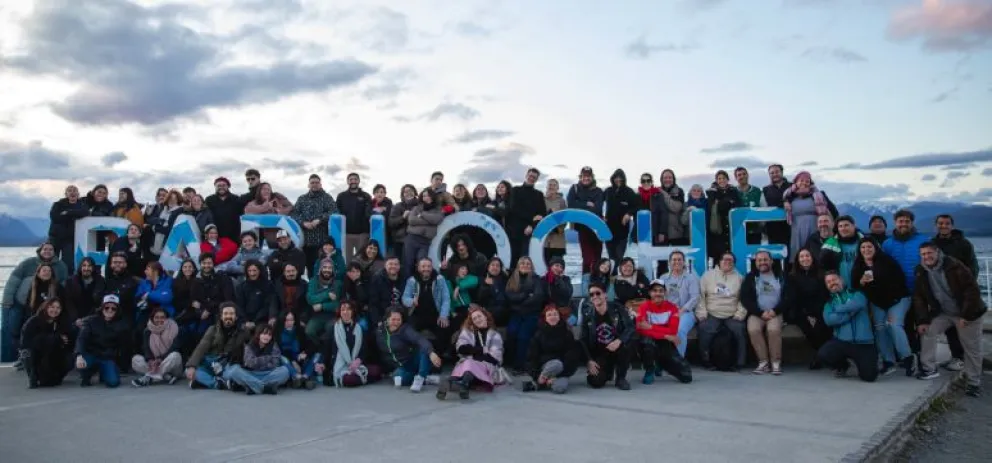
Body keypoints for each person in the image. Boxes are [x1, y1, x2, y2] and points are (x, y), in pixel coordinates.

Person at [913, 242, 986, 397]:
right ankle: (929, 369)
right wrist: (922, 320)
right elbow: (919, 297)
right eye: (923, 254)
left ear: (937, 252)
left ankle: (973, 383)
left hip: (968, 313)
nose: (926, 256)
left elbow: (972, 291)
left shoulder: (954, 266)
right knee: (927, 331)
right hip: (944, 313)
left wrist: (966, 315)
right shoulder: (921, 271)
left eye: (929, 253)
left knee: (971, 347)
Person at [850, 238, 915, 376]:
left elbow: (899, 281)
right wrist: (862, 282)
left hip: (897, 299)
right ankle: (888, 361)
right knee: (879, 328)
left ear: (876, 248)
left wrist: (878, 282)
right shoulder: (858, 265)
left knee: (893, 325)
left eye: (869, 247)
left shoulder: (886, 261)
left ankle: (908, 357)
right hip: (877, 302)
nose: (866, 250)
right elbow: (855, 285)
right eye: (863, 247)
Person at [2, 242, 68, 362]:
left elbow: (63, 285)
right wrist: (7, 300)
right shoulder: (28, 263)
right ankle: (11, 359)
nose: (47, 251)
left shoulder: (60, 266)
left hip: (47, 309)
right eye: (45, 249)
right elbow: (13, 281)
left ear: (55, 252)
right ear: (39, 251)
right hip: (20, 303)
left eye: (50, 249)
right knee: (12, 329)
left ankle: (28, 357)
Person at [932, 214, 979, 372]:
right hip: (941, 292)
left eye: (947, 223)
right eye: (940, 223)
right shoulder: (933, 244)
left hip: (960, 291)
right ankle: (956, 357)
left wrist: (967, 287)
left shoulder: (964, 244)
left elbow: (973, 266)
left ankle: (964, 360)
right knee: (950, 328)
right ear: (936, 225)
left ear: (952, 225)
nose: (943, 226)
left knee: (963, 327)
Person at [818, 272, 878, 382]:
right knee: (824, 354)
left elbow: (859, 304)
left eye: (834, 279)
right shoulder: (829, 303)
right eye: (828, 282)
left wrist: (838, 309)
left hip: (864, 343)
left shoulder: (856, 293)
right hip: (842, 342)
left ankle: (861, 364)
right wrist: (850, 313)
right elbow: (829, 320)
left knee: (869, 377)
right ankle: (843, 366)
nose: (832, 283)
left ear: (841, 280)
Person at [437, 305, 506, 400]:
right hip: (467, 367)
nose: (477, 320)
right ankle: (461, 384)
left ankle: (454, 382)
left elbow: (494, 358)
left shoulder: (495, 335)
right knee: (467, 365)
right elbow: (461, 348)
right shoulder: (468, 332)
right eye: (474, 319)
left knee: (469, 363)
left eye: (479, 316)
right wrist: (482, 350)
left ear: (485, 316)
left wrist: (472, 353)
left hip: (487, 369)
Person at [741, 250, 790, 375]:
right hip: (757, 313)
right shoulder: (751, 277)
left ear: (771, 261)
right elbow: (745, 298)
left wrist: (775, 311)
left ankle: (775, 362)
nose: (762, 262)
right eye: (759, 260)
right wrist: (760, 313)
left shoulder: (781, 276)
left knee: (773, 330)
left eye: (765, 260)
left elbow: (789, 297)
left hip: (775, 312)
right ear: (756, 263)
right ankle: (763, 362)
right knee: (753, 329)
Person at [579, 282, 635, 390]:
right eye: (591, 294)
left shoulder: (617, 308)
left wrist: (619, 340)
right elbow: (582, 339)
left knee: (628, 342)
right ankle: (608, 371)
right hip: (600, 352)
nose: (595, 296)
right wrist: (589, 360)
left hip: (617, 348)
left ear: (605, 295)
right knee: (595, 382)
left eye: (598, 293)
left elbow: (630, 327)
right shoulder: (588, 314)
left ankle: (621, 378)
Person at [697, 252, 747, 371]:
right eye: (725, 259)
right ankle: (706, 361)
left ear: (734, 263)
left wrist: (740, 314)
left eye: (730, 260)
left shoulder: (739, 278)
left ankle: (740, 362)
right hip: (712, 313)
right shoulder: (707, 276)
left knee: (740, 330)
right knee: (704, 328)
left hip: (732, 314)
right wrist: (701, 313)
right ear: (719, 262)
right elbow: (700, 296)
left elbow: (743, 299)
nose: (727, 262)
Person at [635, 280, 692, 385]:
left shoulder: (672, 308)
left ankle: (661, 364)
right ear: (650, 293)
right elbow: (641, 329)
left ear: (665, 292)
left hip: (666, 343)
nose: (658, 293)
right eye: (654, 290)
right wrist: (665, 335)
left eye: (661, 291)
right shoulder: (643, 307)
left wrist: (651, 327)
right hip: (652, 341)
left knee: (686, 376)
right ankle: (650, 370)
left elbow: (673, 331)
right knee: (646, 342)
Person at [184, 302, 250, 390]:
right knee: (191, 372)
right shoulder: (212, 329)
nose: (228, 316)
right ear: (221, 316)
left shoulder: (243, 331)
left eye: (231, 314)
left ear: (236, 317)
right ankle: (219, 384)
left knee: (236, 371)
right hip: (211, 362)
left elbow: (250, 348)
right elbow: (201, 348)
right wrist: (191, 366)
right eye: (225, 313)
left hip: (228, 364)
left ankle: (207, 382)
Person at [376, 307, 443, 392]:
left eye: (398, 320)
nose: (396, 322)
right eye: (393, 319)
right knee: (398, 377)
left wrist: (431, 353)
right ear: (387, 319)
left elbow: (419, 339)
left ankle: (420, 377)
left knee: (424, 349)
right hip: (401, 367)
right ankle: (426, 379)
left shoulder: (405, 329)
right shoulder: (380, 331)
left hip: (412, 361)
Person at [321, 301, 382, 387]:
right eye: (343, 310)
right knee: (349, 379)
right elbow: (326, 349)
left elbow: (364, 349)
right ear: (339, 312)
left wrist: (358, 360)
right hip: (340, 366)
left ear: (353, 311)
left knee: (376, 370)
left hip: (356, 365)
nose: (345, 312)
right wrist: (322, 364)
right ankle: (363, 378)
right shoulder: (333, 328)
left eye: (348, 309)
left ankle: (360, 377)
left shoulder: (359, 328)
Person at [787, 249, 832, 369]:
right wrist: (807, 314)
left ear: (812, 258)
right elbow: (793, 298)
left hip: (820, 310)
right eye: (801, 257)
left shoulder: (821, 274)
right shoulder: (792, 277)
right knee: (811, 329)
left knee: (822, 327)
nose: (805, 259)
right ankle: (821, 356)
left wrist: (815, 313)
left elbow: (824, 296)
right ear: (797, 260)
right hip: (801, 311)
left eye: (807, 256)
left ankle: (822, 357)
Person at [74, 295, 130, 388]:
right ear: (102, 308)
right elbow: (81, 339)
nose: (110, 310)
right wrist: (79, 355)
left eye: (113, 308)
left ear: (117, 310)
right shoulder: (90, 321)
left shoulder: (123, 325)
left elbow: (124, 347)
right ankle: (86, 375)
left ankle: (104, 373)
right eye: (107, 307)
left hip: (107, 357)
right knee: (82, 363)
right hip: (91, 354)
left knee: (113, 382)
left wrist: (119, 364)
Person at [523, 306, 579, 393]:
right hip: (545, 367)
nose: (553, 317)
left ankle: (540, 383)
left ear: (559, 317)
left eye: (555, 314)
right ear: (545, 318)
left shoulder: (567, 334)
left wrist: (558, 376)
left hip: (562, 369)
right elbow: (531, 357)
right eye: (549, 315)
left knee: (559, 388)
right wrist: (536, 375)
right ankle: (541, 378)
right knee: (556, 364)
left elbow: (572, 357)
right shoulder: (539, 334)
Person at [401, 258, 452, 355]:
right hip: (417, 315)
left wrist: (443, 315)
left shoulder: (439, 279)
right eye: (423, 266)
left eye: (429, 266)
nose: (426, 269)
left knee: (444, 329)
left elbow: (446, 298)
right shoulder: (412, 280)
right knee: (408, 332)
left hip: (435, 314)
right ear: (418, 268)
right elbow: (404, 298)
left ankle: (440, 355)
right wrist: (412, 301)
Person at [291, 174, 338, 279]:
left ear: (320, 184)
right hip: (305, 241)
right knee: (308, 269)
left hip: (321, 242)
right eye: (312, 183)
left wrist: (320, 220)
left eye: (317, 182)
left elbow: (334, 211)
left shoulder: (327, 198)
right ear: (308, 184)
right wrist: (303, 223)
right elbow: (294, 214)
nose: (314, 185)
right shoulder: (302, 199)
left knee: (322, 268)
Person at [784, 171, 838, 263]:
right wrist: (785, 202)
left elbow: (834, 211)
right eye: (801, 180)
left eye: (807, 181)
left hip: (815, 227)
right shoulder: (789, 196)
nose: (804, 183)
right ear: (796, 182)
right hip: (796, 230)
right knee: (797, 253)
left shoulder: (819, 195)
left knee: (815, 251)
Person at [505, 256, 547, 372]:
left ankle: (520, 365)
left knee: (523, 336)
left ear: (531, 266)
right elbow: (510, 296)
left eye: (528, 263)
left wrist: (520, 301)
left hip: (531, 314)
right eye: (522, 263)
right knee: (511, 332)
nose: (525, 265)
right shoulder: (513, 279)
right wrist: (525, 295)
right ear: (518, 266)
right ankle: (510, 360)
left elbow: (537, 297)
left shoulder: (536, 279)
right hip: (516, 313)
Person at [20, 299, 73, 388]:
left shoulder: (62, 322)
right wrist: (55, 338)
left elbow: (68, 339)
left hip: (54, 352)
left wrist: (65, 340)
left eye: (58, 308)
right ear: (46, 307)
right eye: (52, 307)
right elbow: (26, 342)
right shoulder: (34, 321)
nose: (55, 310)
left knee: (69, 359)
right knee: (27, 353)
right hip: (36, 352)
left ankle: (56, 376)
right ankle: (33, 374)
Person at [658, 251, 700, 358]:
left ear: (684, 262)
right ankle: (660, 360)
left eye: (679, 259)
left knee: (679, 329)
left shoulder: (691, 278)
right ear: (669, 262)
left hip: (686, 312)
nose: (677, 262)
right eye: (674, 259)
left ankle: (679, 360)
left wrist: (681, 311)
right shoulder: (663, 278)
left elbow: (695, 297)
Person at [227, 325, 291, 395]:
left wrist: (257, 362)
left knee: (284, 371)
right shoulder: (250, 346)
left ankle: (253, 386)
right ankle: (265, 388)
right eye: (264, 334)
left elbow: (275, 363)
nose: (267, 337)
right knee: (234, 370)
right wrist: (266, 358)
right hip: (251, 373)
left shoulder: (274, 346)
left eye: (269, 335)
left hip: (268, 373)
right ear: (258, 334)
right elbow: (249, 363)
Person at [130, 307, 183, 387]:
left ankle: (149, 377)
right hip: (154, 364)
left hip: (172, 366)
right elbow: (146, 349)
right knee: (135, 359)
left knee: (175, 355)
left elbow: (174, 348)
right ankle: (165, 376)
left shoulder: (175, 328)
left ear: (167, 318)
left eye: (162, 317)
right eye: (156, 317)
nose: (159, 320)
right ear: (152, 318)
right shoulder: (148, 330)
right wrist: (150, 360)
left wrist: (160, 359)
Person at [566, 166, 604, 274]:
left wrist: (579, 205)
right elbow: (571, 205)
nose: (586, 178)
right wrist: (587, 204)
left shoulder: (598, 191)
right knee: (587, 258)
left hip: (597, 228)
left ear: (592, 177)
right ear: (580, 177)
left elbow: (598, 208)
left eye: (588, 176)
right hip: (582, 228)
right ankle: (586, 281)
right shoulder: (574, 188)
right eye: (584, 176)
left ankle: (597, 281)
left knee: (597, 258)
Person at [189, 253, 235, 339]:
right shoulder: (196, 280)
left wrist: (209, 309)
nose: (206, 265)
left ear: (213, 264)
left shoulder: (222, 276)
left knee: (218, 334)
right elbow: (194, 299)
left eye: (209, 263)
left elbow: (227, 298)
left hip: (220, 311)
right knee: (199, 333)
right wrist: (200, 309)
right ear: (200, 264)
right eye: (204, 263)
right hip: (204, 312)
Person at [402, 189, 445, 279]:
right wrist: (429, 222)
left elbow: (436, 220)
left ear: (433, 197)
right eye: (424, 196)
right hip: (412, 239)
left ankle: (420, 285)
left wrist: (422, 214)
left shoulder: (438, 210)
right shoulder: (416, 208)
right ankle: (407, 286)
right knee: (408, 264)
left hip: (425, 242)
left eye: (428, 195)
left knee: (422, 265)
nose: (426, 198)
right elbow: (411, 220)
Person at [651, 169, 686, 274]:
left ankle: (681, 283)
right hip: (661, 232)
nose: (667, 179)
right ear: (661, 179)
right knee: (662, 263)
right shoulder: (656, 192)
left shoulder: (679, 191)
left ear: (673, 179)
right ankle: (661, 283)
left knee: (679, 262)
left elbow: (676, 208)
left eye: (670, 177)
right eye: (665, 177)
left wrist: (663, 194)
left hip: (677, 233)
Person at [705, 170, 742, 266]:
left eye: (724, 178)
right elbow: (712, 207)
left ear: (727, 179)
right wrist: (729, 202)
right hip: (718, 228)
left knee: (732, 254)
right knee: (719, 256)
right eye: (719, 178)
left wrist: (721, 203)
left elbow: (738, 205)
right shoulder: (712, 192)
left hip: (731, 228)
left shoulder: (733, 191)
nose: (721, 180)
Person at [48, 185, 89, 271]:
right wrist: (73, 216)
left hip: (69, 239)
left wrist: (68, 212)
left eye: (74, 190)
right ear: (66, 194)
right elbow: (55, 217)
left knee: (68, 263)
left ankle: (67, 278)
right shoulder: (58, 204)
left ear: (78, 194)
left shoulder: (82, 205)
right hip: (55, 237)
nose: (72, 192)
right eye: (70, 190)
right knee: (51, 261)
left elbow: (85, 213)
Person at [603, 169, 639, 263]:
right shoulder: (608, 191)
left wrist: (628, 214)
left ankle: (619, 272)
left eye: (620, 178)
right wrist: (601, 216)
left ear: (624, 179)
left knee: (619, 258)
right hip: (608, 231)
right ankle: (613, 273)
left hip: (622, 232)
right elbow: (598, 203)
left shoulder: (629, 192)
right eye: (616, 178)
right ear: (613, 178)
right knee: (611, 259)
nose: (618, 180)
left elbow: (636, 206)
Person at [337, 173, 373, 260]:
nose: (353, 181)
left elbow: (369, 213)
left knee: (362, 259)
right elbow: (337, 212)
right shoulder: (341, 196)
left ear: (359, 181)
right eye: (351, 179)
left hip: (362, 234)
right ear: (347, 181)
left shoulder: (366, 196)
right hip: (346, 234)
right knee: (347, 260)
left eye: (355, 179)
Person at [64, 257, 107, 328]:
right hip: (75, 320)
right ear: (80, 267)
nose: (86, 268)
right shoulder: (71, 281)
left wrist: (91, 317)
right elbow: (68, 302)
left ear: (93, 267)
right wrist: (75, 319)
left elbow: (102, 301)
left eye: (89, 266)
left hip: (94, 319)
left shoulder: (100, 281)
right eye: (84, 265)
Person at [819, 215, 863, 286]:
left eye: (846, 225)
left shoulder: (865, 241)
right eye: (840, 226)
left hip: (863, 285)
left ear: (854, 226)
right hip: (841, 287)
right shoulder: (830, 245)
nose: (843, 228)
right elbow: (823, 266)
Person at [306, 259, 342, 341]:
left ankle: (327, 348)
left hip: (333, 315)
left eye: (330, 268)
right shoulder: (313, 281)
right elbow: (310, 299)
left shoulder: (337, 283)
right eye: (324, 267)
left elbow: (337, 304)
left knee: (329, 329)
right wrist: (327, 294)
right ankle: (319, 346)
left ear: (333, 270)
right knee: (309, 331)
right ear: (320, 269)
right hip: (317, 316)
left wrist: (322, 306)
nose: (327, 270)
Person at [234, 260, 276, 330]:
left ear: (260, 271)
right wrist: (246, 321)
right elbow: (240, 306)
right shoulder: (240, 287)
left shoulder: (268, 285)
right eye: (249, 271)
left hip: (263, 320)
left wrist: (256, 321)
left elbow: (269, 304)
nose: (252, 273)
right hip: (246, 321)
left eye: (254, 270)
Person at [135, 261, 175, 336]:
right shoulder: (144, 282)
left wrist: (148, 294)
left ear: (155, 271)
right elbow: (138, 297)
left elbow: (166, 298)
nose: (145, 271)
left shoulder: (168, 280)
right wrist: (157, 295)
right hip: (146, 311)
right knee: (139, 330)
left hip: (163, 312)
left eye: (147, 269)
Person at [762, 164, 792, 257]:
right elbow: (764, 206)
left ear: (782, 172)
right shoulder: (766, 189)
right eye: (772, 173)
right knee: (774, 254)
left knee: (790, 252)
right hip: (773, 227)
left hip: (790, 226)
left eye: (777, 172)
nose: (775, 174)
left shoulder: (792, 186)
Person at [205, 177, 243, 244]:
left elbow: (242, 214)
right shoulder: (209, 200)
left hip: (234, 235)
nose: (221, 187)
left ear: (228, 186)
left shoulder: (236, 198)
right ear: (215, 187)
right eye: (219, 185)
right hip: (216, 235)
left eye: (223, 185)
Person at [368, 256, 405, 327]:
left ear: (399, 266)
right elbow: (373, 303)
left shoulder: (404, 278)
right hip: (384, 317)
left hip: (401, 317)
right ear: (385, 265)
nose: (393, 266)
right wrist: (378, 321)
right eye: (390, 264)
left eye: (396, 264)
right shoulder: (377, 279)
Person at [387, 184, 418, 263]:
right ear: (402, 194)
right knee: (401, 264)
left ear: (415, 192)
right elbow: (391, 223)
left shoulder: (420, 205)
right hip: (400, 241)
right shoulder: (397, 206)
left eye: (411, 191)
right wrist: (403, 217)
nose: (408, 193)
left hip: (417, 240)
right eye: (406, 192)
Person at [273, 263, 309, 328]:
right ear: (284, 273)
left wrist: (303, 319)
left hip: (299, 314)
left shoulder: (304, 285)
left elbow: (307, 305)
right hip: (282, 314)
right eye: (288, 271)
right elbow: (274, 303)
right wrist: (272, 317)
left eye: (293, 271)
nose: (291, 273)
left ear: (297, 272)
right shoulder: (278, 285)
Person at [476, 257, 509, 326]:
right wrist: (485, 286)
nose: (495, 267)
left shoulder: (505, 280)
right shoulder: (482, 280)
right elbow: (480, 299)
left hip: (503, 312)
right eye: (493, 265)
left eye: (497, 265)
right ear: (488, 267)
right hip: (488, 312)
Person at [150, 190, 183, 256]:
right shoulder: (164, 209)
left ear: (178, 201)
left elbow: (171, 229)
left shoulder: (179, 211)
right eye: (170, 198)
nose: (172, 201)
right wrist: (161, 221)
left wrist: (155, 228)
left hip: (169, 244)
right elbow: (151, 219)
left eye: (175, 199)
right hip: (156, 242)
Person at [543, 179, 568, 263]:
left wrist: (554, 215)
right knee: (544, 266)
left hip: (558, 242)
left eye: (554, 185)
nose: (551, 187)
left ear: (557, 188)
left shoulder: (562, 201)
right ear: (546, 187)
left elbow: (565, 219)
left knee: (557, 265)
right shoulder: (541, 200)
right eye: (550, 185)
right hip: (544, 242)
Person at [447, 263, 479, 329]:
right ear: (456, 270)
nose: (465, 271)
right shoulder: (449, 282)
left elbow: (475, 280)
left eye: (466, 269)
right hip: (457, 309)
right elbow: (448, 299)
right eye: (462, 268)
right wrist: (452, 312)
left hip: (467, 307)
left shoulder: (467, 278)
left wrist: (459, 287)